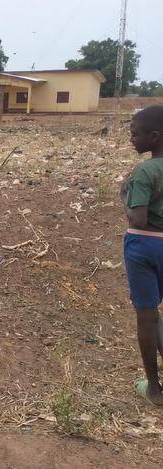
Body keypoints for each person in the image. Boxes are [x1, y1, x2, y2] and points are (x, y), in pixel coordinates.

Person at [121, 105, 163, 406]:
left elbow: (138, 218)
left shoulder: (145, 171)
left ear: (155, 136)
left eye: (136, 134)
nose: (132, 139)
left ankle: (154, 389)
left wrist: (124, 196)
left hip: (145, 245)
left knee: (147, 317)